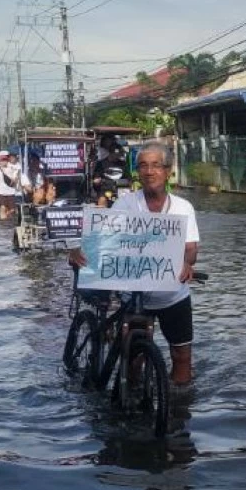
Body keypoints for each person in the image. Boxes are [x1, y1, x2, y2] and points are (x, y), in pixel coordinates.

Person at [69, 141, 200, 384]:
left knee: (182, 357)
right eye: (143, 166)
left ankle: (178, 409)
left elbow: (191, 249)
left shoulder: (183, 207)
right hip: (134, 296)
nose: (149, 171)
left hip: (173, 295)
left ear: (168, 170)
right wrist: (80, 250)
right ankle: (132, 401)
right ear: (137, 172)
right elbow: (107, 240)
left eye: (156, 166)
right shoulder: (126, 204)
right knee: (132, 358)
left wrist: (186, 263)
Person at [0, 153, 21, 220]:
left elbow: (18, 170)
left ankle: (7, 217)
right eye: (1, 160)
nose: (3, 161)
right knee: (3, 207)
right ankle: (3, 224)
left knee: (13, 210)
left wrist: (14, 177)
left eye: (5, 160)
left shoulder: (12, 168)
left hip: (11, 192)